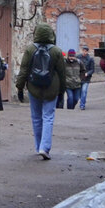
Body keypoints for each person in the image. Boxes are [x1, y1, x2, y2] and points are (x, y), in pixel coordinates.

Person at [14, 23, 67, 160]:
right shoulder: (56, 51)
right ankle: (45, 147)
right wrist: (62, 92)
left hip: (34, 87)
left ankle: (38, 147)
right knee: (48, 117)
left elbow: (24, 70)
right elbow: (62, 73)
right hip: (51, 88)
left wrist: (20, 87)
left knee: (36, 118)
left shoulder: (30, 49)